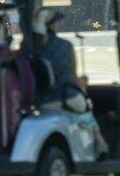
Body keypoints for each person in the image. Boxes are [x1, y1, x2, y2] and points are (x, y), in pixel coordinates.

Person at [34, 10, 108, 153]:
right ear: (53, 24)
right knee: (86, 106)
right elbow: (74, 78)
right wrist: (83, 83)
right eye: (58, 21)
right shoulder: (67, 46)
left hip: (41, 101)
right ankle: (99, 140)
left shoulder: (32, 48)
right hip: (66, 98)